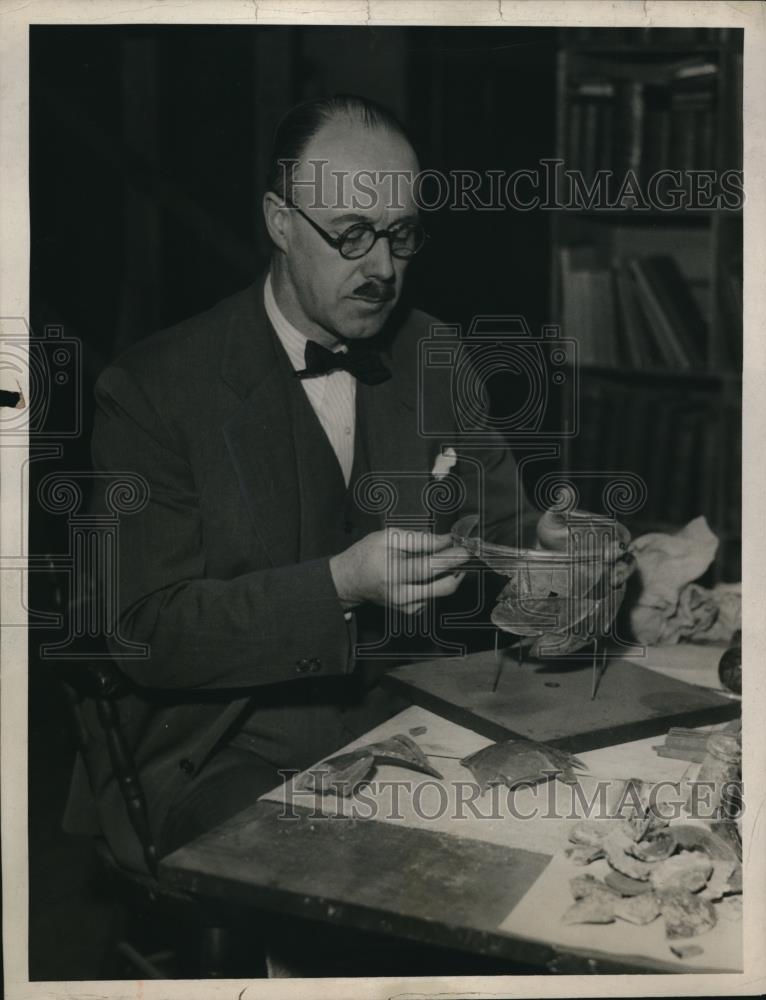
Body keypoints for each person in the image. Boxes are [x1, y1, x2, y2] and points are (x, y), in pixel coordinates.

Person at [63, 94, 542, 872]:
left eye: (401, 236)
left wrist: (552, 557)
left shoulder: (434, 354)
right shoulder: (154, 389)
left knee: (557, 834)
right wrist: (340, 585)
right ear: (280, 222)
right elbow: (142, 630)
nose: (382, 268)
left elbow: (508, 538)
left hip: (411, 721)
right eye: (350, 235)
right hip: (219, 748)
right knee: (361, 867)